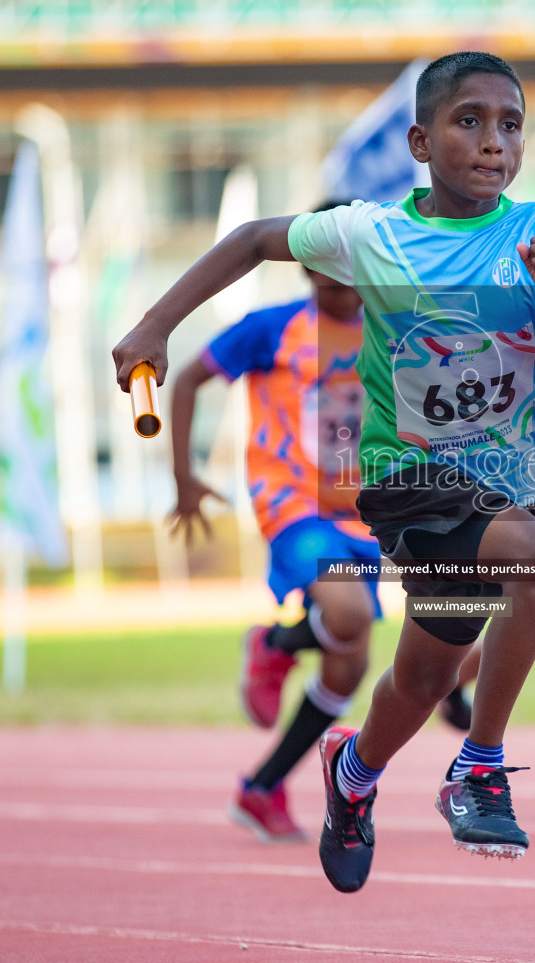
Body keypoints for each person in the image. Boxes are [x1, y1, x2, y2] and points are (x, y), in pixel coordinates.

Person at [114, 51, 535, 894]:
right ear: (422, 141)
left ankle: (352, 773)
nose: (493, 142)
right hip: (409, 481)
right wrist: (153, 326)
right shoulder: (374, 234)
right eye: (470, 121)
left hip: (499, 488)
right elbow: (251, 241)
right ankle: (480, 767)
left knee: (426, 674)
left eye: (511, 125)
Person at [165, 224, 383, 843]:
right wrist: (185, 477)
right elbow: (186, 381)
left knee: (350, 665)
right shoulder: (273, 328)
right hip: (294, 505)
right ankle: (277, 644)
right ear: (310, 266)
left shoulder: (392, 329)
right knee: (347, 618)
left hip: (367, 518)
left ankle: (261, 789)